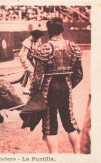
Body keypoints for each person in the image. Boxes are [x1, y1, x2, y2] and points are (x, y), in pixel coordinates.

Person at [31, 17, 83, 153]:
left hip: (49, 89)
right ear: (63, 29)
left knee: (50, 125)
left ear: (48, 31)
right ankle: (78, 154)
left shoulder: (44, 48)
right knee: (69, 122)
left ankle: (54, 157)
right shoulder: (72, 47)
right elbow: (79, 74)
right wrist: (70, 85)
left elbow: (37, 78)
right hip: (66, 85)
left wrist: (34, 96)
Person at [19, 29, 44, 94]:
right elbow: (24, 55)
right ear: (33, 36)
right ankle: (31, 89)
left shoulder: (38, 40)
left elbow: (38, 50)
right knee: (32, 72)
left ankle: (29, 88)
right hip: (25, 58)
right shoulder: (27, 41)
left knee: (36, 71)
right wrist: (28, 65)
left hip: (32, 58)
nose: (38, 39)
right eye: (36, 37)